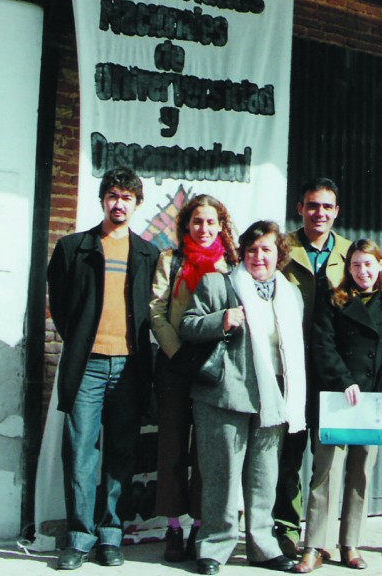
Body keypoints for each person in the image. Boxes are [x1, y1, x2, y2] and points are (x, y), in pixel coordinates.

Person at [47, 167, 160, 570]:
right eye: (113, 195)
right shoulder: (73, 247)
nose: (119, 203)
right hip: (88, 366)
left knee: (121, 453)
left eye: (127, 197)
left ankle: (111, 536)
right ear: (102, 200)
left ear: (137, 204)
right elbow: (60, 306)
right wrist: (82, 344)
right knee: (79, 452)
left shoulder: (148, 253)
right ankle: (79, 538)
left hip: (130, 367)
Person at [179, 220, 306, 575]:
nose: (258, 257)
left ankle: (263, 547)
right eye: (251, 250)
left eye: (266, 249)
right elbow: (187, 325)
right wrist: (222, 319)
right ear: (242, 253)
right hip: (224, 395)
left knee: (265, 477)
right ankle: (214, 547)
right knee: (221, 476)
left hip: (274, 397)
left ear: (279, 254)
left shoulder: (290, 293)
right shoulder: (219, 284)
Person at [292, 239, 382, 573]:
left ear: (381, 266)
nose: (362, 272)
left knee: (360, 477)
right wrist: (344, 381)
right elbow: (323, 346)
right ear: (348, 269)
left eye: (368, 264)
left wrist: (379, 398)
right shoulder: (334, 300)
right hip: (338, 400)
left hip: (371, 405)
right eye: (355, 265)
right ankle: (314, 545)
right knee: (324, 474)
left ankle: (350, 544)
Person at [149, 194, 239, 562]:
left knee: (208, 453)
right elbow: (156, 311)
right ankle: (173, 528)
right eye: (197, 222)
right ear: (186, 224)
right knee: (171, 447)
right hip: (175, 364)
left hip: (214, 369)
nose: (204, 229)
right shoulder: (171, 261)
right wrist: (177, 352)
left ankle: (202, 526)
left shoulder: (230, 265)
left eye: (211, 222)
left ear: (221, 226)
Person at [275, 178, 351, 557]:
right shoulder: (281, 248)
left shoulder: (351, 253)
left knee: (328, 456)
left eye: (326, 207)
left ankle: (320, 538)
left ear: (336, 212)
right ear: (300, 208)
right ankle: (287, 528)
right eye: (312, 205)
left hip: (331, 370)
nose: (319, 213)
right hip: (290, 367)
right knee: (288, 452)